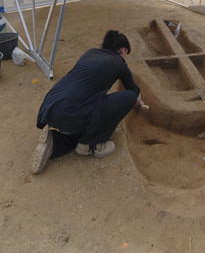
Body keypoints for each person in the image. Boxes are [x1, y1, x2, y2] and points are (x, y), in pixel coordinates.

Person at [30, 30, 143, 174]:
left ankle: (56, 142)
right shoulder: (119, 63)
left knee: (87, 109)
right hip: (71, 112)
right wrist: (138, 99)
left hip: (50, 106)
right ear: (123, 50)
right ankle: (92, 144)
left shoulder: (90, 53)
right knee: (129, 98)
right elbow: (133, 90)